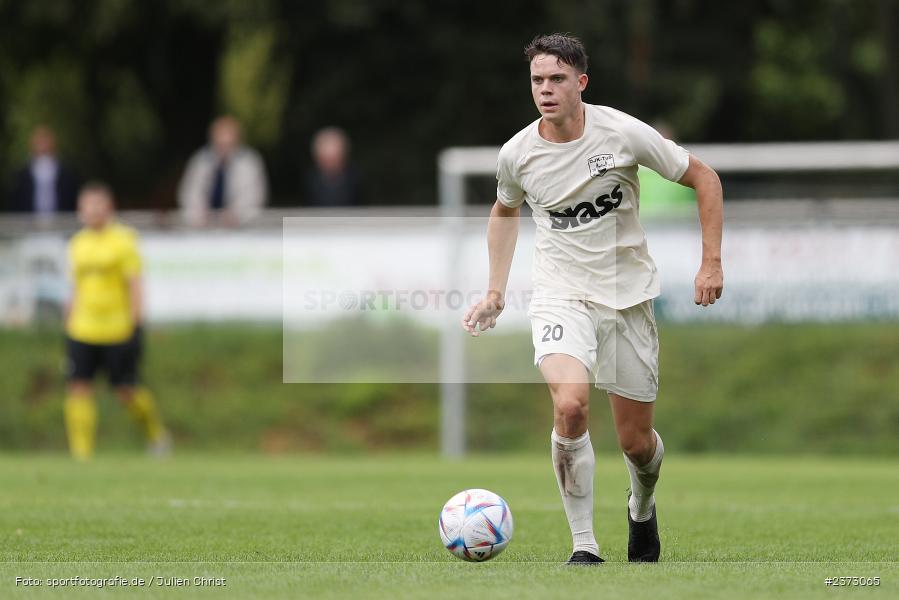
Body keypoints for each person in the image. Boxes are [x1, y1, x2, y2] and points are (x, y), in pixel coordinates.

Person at [462, 34, 724, 565]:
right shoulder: (517, 153)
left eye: (557, 78)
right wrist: (495, 289)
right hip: (561, 295)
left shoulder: (622, 132)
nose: (546, 89)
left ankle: (642, 508)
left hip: (628, 300)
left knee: (637, 444)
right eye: (537, 80)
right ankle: (584, 545)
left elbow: (704, 177)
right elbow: (504, 210)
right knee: (571, 404)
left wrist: (712, 262)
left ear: (581, 82)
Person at [64, 182, 170, 460]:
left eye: (98, 204)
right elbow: (74, 287)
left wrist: (137, 323)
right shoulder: (77, 244)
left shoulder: (124, 240)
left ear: (109, 208)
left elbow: (134, 283)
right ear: (80, 209)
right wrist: (68, 319)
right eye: (87, 205)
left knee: (126, 391)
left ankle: (155, 434)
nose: (92, 211)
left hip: (117, 328)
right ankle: (81, 455)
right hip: (82, 327)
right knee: (79, 388)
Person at [177, 116, 268, 227]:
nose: (224, 150)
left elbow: (254, 196)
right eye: (220, 145)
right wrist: (199, 214)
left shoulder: (250, 162)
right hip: (202, 228)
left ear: (238, 141)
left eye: (229, 145)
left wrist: (236, 214)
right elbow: (189, 193)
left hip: (242, 227)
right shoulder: (200, 160)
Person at [7, 125, 80, 215]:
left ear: (53, 141)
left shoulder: (66, 171)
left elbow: (72, 197)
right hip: (28, 221)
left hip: (61, 219)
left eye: (45, 139)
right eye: (39, 140)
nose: (42, 143)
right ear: (31, 142)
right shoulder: (21, 173)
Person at [305, 127, 362, 207]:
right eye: (327, 159)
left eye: (334, 158)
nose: (331, 164)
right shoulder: (308, 180)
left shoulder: (356, 179)